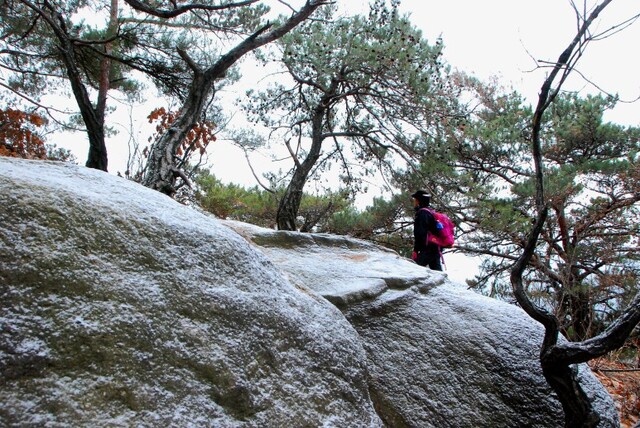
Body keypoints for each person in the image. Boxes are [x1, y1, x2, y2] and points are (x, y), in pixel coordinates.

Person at [411, 190, 442, 271]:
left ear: (419, 201)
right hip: (436, 246)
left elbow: (420, 233)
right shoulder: (431, 212)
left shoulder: (422, 213)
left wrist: (416, 250)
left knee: (414, 269)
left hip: (428, 248)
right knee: (437, 273)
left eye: (415, 199)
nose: (414, 202)